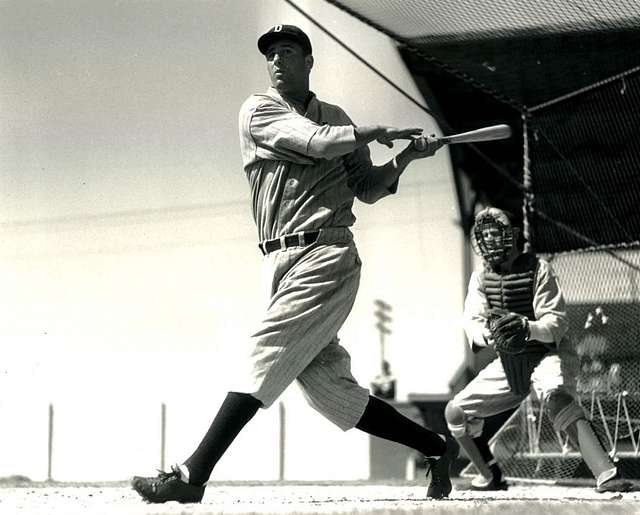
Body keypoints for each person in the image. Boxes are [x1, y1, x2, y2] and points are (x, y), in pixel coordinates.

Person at [131, 24, 457, 504]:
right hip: (277, 258)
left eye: (288, 52)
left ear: (309, 62)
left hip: (327, 251)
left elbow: (366, 187)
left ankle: (192, 474)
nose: (277, 61)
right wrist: (379, 130)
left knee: (266, 349)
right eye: (271, 55)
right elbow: (319, 143)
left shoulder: (337, 117)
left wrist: (407, 157)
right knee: (330, 389)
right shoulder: (259, 110)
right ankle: (434, 446)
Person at [444, 206, 633, 492]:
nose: (491, 239)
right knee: (455, 413)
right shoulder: (480, 279)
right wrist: (489, 334)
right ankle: (489, 475)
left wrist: (525, 327)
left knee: (557, 399)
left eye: (497, 232)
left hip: (548, 352)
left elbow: (555, 324)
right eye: (485, 234)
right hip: (510, 358)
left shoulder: (539, 269)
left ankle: (607, 475)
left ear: (513, 235)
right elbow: (472, 323)